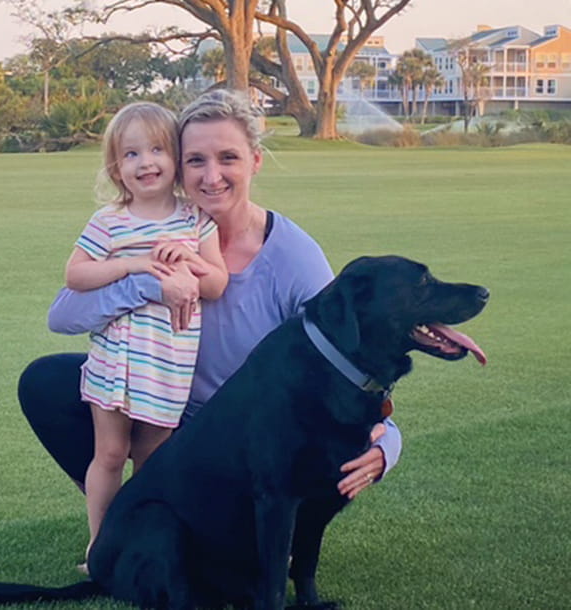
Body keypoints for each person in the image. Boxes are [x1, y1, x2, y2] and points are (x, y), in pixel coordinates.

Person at [21, 89, 400, 514]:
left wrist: (389, 439)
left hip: (246, 432)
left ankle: (241, 527)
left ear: (255, 161)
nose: (211, 175)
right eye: (196, 160)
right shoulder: (148, 231)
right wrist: (152, 281)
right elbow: (64, 315)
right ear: (178, 168)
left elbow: (349, 356)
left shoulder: (294, 255)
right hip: (170, 407)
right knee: (46, 382)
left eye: (228, 158)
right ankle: (121, 526)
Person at [66, 102, 228, 560]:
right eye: (132, 154)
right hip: (114, 362)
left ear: (175, 159)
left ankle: (143, 544)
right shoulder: (109, 222)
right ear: (117, 168)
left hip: (168, 363)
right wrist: (135, 264)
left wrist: (189, 259)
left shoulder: (194, 221)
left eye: (157, 150)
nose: (146, 162)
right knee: (111, 455)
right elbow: (75, 275)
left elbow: (216, 284)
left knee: (154, 461)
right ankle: (99, 545)